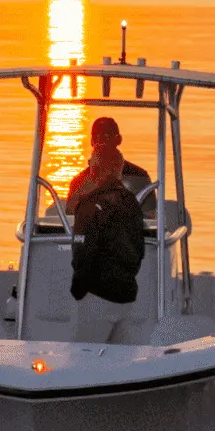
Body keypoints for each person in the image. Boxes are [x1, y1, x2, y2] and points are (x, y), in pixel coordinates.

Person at [69, 145, 146, 344]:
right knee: (121, 359)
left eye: (91, 163)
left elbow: (83, 253)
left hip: (97, 297)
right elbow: (139, 250)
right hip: (126, 296)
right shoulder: (132, 203)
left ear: (96, 170)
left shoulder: (89, 206)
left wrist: (78, 290)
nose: (88, 167)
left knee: (82, 358)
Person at [66, 116, 153, 213]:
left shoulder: (139, 176)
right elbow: (69, 215)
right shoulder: (79, 181)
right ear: (91, 141)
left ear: (118, 139)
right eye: (96, 137)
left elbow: (151, 216)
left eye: (107, 136)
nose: (102, 142)